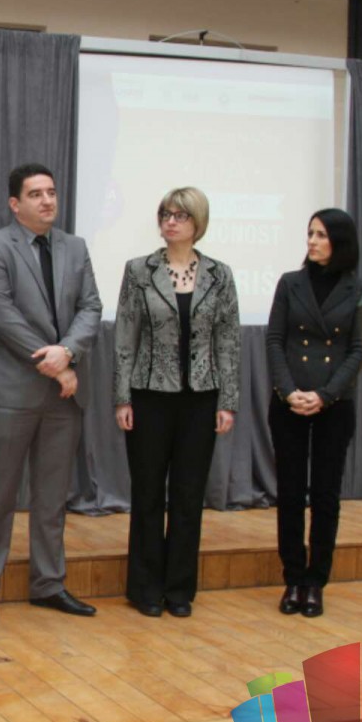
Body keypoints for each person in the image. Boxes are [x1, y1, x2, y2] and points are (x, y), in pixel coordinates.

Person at [0, 163, 102, 624]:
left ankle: (49, 584)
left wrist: (68, 352)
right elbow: (2, 315)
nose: (47, 200)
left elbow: (91, 307)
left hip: (63, 394)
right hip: (11, 391)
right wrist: (55, 363)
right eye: (36, 194)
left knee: (51, 497)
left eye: (51, 192)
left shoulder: (75, 247)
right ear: (15, 204)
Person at [113, 186, 240, 619]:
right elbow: (125, 337)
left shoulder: (220, 275)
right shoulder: (139, 270)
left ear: (197, 222)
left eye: (180, 215)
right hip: (149, 396)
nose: (170, 221)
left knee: (188, 497)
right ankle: (145, 588)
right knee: (148, 494)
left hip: (200, 400)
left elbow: (228, 341)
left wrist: (228, 401)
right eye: (165, 214)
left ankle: (179, 589)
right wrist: (122, 397)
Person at [265, 209, 362, 619]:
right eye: (310, 233)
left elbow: (359, 350)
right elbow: (275, 341)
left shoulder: (360, 290)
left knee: (325, 495)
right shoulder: (289, 283)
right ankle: (293, 577)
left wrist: (324, 396)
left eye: (321, 235)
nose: (312, 241)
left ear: (340, 242)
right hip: (289, 402)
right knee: (291, 492)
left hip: (334, 406)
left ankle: (315, 582)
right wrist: (289, 391)